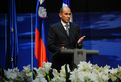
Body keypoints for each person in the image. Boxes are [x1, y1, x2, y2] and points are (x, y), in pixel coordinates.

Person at [47, 6, 85, 71]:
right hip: (59, 63)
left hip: (73, 63)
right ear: (60, 15)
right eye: (66, 14)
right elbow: (50, 45)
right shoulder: (54, 28)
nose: (68, 16)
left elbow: (79, 46)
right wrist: (60, 50)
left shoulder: (75, 27)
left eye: (69, 14)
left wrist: (79, 44)